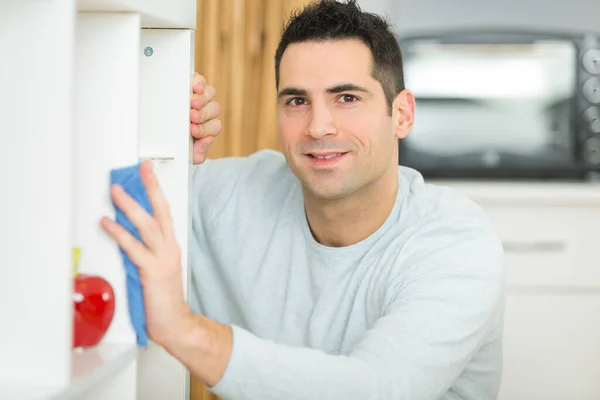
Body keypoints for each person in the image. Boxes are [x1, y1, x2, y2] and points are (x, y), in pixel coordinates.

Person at [101, 1, 505, 399]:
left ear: (401, 114)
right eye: (297, 101)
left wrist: (183, 330)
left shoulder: (455, 244)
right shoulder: (231, 197)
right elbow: (95, 206)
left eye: (346, 97)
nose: (318, 126)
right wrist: (163, 153)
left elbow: (378, 389)